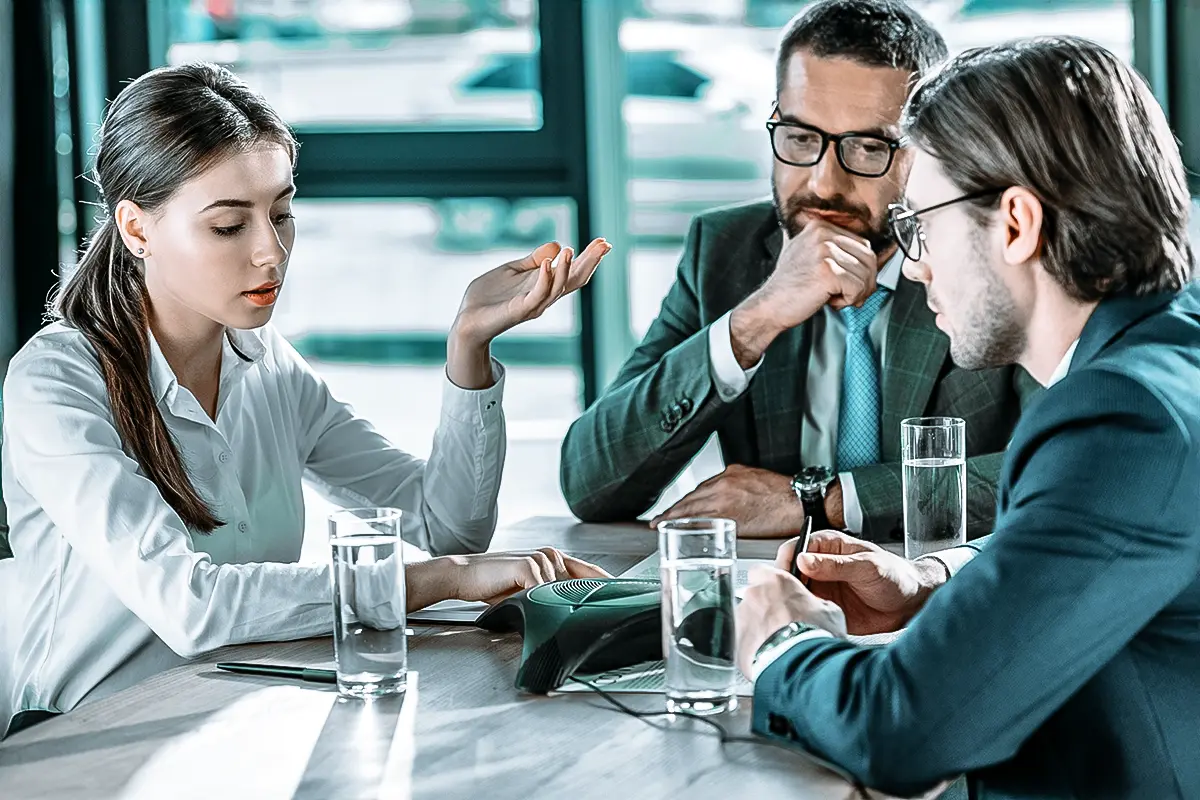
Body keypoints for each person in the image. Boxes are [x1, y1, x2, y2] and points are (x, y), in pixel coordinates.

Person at [0, 62, 611, 738]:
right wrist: (444, 579)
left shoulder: (267, 364)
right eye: (230, 226)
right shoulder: (55, 382)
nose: (271, 252)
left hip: (233, 724)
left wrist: (468, 347)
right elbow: (191, 605)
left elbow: (446, 525)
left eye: (282, 214)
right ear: (137, 230)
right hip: (85, 742)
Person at [736, 36, 1200, 798]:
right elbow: (1097, 553)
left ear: (1016, 223)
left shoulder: (1122, 419)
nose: (913, 266)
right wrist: (928, 583)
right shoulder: (1167, 355)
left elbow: (904, 730)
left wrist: (781, 644)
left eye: (920, 223)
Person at [559, 0, 1037, 543]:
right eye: (801, 138)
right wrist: (751, 324)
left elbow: (1063, 467)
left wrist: (820, 501)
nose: (823, 182)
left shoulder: (989, 255)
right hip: (772, 594)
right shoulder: (725, 252)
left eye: (867, 145)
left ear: (929, 149)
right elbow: (590, 482)